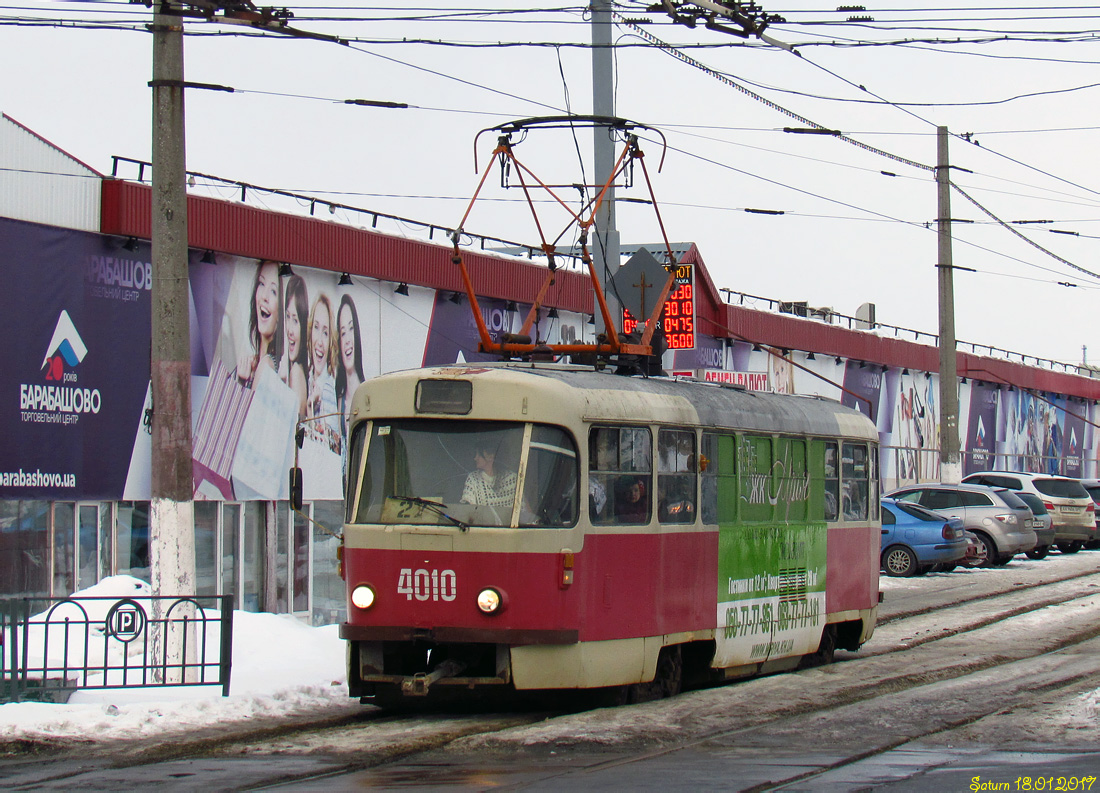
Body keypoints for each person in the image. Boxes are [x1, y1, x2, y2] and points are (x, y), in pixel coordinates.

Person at [235, 260, 281, 387]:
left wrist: (241, 383)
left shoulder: (267, 365)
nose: (264, 297)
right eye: (261, 283)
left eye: (273, 291)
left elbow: (249, 407)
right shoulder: (257, 362)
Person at [306, 293, 341, 454]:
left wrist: (311, 409)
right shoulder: (306, 378)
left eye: (325, 333)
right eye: (316, 328)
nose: (319, 341)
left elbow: (332, 447)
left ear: (330, 342)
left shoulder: (328, 388)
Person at [335, 294, 365, 434]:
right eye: (342, 333)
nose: (347, 340)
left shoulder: (368, 395)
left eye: (351, 329)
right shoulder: (338, 401)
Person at [282, 274, 309, 417]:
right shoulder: (295, 371)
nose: (290, 330)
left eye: (296, 320)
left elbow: (295, 428)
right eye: (288, 317)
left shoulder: (296, 374)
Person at [461, 443, 518, 508]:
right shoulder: (473, 478)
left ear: (490, 457)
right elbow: (469, 508)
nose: (475, 458)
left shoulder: (512, 478)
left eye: (478, 455)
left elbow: (523, 511)